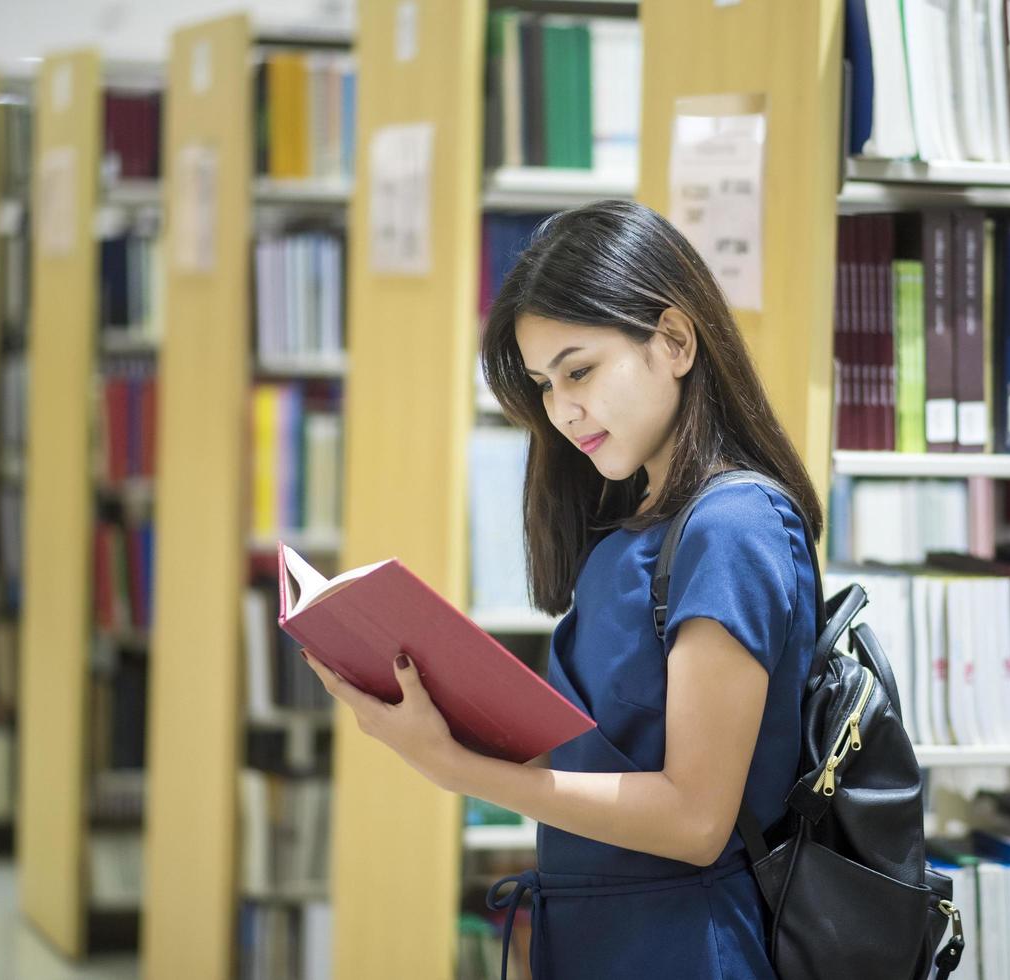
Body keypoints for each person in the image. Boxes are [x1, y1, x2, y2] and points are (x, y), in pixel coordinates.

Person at [302, 200, 822, 979]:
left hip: (686, 945)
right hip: (606, 932)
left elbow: (695, 819)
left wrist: (455, 769)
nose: (563, 408)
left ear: (675, 340)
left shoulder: (732, 525)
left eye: (579, 370)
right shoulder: (638, 521)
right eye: (546, 384)